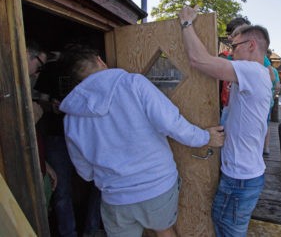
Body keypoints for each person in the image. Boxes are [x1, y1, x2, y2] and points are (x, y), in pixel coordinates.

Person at [58, 45, 224, 237]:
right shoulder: (133, 84)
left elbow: (85, 171)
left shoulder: (71, 118)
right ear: (99, 60)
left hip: (115, 197)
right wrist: (205, 137)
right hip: (156, 185)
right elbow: (172, 123)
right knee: (165, 231)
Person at [179, 6, 272, 236]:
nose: (231, 52)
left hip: (240, 179)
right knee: (227, 227)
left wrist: (186, 23)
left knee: (227, 230)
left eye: (234, 47)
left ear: (251, 46)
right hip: (244, 176)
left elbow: (198, 60)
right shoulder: (257, 75)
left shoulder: (252, 71)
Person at [35, 50, 102, 237]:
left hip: (92, 137)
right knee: (61, 190)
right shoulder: (50, 70)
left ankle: (92, 230)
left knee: (102, 183)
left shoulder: (94, 74)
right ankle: (68, 233)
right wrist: (51, 105)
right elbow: (38, 98)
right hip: (58, 137)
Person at [26, 40, 57, 207]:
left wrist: (44, 164)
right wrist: (31, 121)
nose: (37, 74)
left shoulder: (22, 86)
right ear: (26, 54)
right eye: (39, 66)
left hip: (39, 167)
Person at [263, 48, 281, 156]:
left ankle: (262, 147)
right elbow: (277, 87)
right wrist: (272, 97)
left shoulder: (259, 66)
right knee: (266, 124)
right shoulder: (274, 70)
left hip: (262, 101)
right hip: (268, 101)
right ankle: (266, 147)